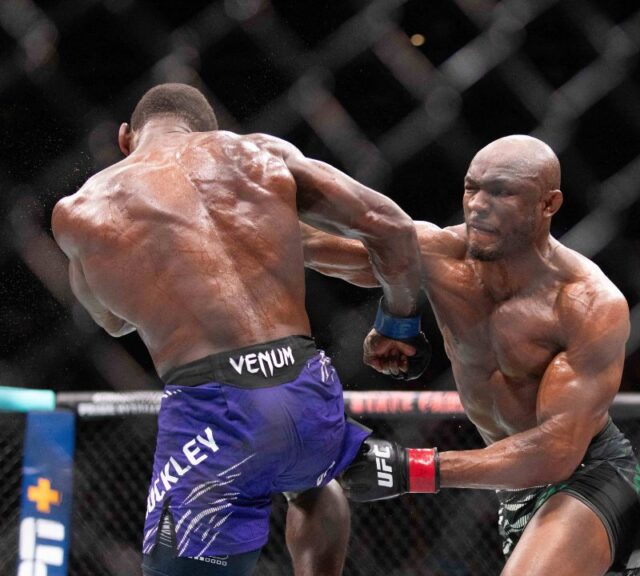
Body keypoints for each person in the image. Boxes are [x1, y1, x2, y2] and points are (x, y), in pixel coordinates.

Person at [50, 83, 426, 576]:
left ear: (125, 138)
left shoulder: (80, 210)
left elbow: (114, 322)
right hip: (306, 382)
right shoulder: (257, 154)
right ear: (209, 131)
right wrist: (397, 323)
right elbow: (391, 227)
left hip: (215, 404)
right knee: (313, 484)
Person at [303, 135, 640, 575]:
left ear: (549, 204)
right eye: (472, 188)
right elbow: (315, 246)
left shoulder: (585, 303)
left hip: (590, 477)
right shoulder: (439, 256)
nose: (479, 205)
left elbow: (556, 450)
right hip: (512, 490)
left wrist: (412, 468)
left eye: (503, 192)